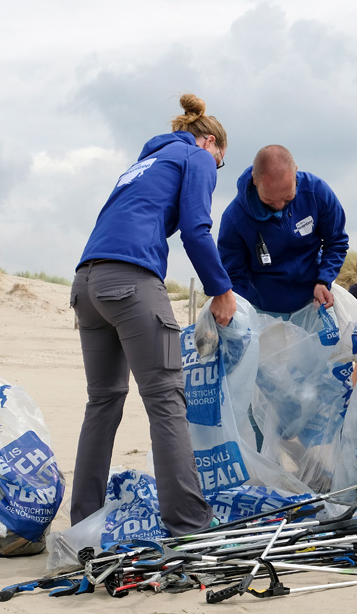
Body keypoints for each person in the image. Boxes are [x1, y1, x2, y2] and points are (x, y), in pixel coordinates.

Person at [70, 93, 236, 537]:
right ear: (210, 143)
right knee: (166, 400)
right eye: (220, 162)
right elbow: (197, 230)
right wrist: (221, 290)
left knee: (102, 402)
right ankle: (189, 522)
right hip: (132, 282)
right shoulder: (196, 158)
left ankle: (85, 521)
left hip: (86, 282)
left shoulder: (144, 162)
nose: (216, 171)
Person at [218, 145, 348, 316]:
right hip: (263, 311)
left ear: (295, 172)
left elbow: (336, 241)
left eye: (288, 198)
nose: (279, 206)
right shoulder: (234, 219)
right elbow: (234, 274)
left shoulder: (316, 192)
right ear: (255, 181)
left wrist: (324, 280)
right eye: (269, 200)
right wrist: (241, 314)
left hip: (314, 301)